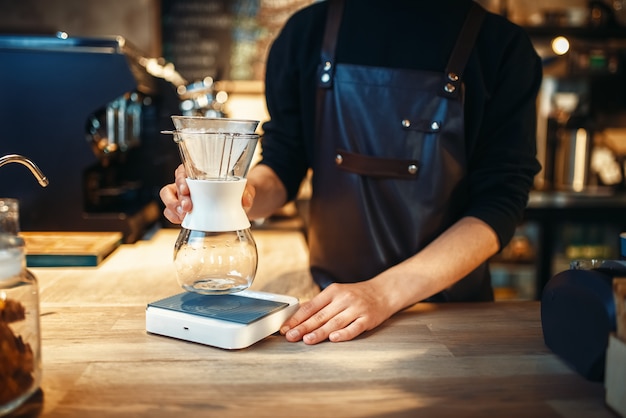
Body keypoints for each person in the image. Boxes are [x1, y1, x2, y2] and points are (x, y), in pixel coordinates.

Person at [160, 0, 543, 345]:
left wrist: (382, 293)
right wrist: (239, 196)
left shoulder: (502, 48)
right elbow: (284, 163)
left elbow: (500, 203)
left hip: (452, 318)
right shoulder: (305, 33)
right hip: (329, 309)